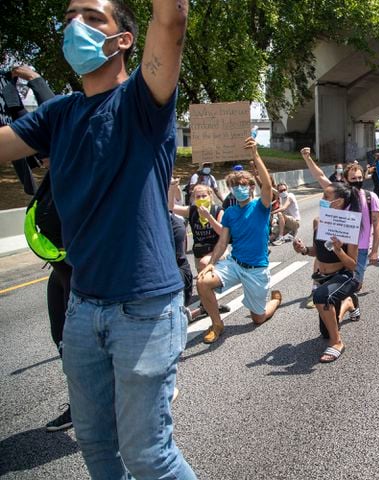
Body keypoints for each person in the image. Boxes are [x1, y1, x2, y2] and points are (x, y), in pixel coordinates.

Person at [0, 0, 197, 476]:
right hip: (82, 308)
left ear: (124, 39)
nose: (74, 27)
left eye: (91, 17)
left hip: (144, 310)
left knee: (148, 455)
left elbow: (171, 18)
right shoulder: (58, 115)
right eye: (69, 18)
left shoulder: (142, 101)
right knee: (94, 442)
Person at [1, 65, 74, 432]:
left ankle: (143, 394)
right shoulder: (45, 183)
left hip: (86, 273)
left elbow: (56, 115)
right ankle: (81, 401)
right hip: (58, 273)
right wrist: (11, 92)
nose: (40, 157)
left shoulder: (74, 166)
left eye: (45, 150)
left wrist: (34, 80)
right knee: (61, 335)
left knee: (93, 344)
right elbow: (20, 127)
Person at [196, 139, 282, 344]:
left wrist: (255, 154)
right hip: (235, 265)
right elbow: (222, 243)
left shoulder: (261, 206)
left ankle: (276, 301)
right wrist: (210, 265)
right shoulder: (230, 213)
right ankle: (217, 323)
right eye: (234, 186)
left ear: (251, 187)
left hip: (256, 269)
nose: (238, 188)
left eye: (242, 185)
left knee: (258, 318)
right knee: (202, 282)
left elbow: (268, 186)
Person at [292, 182, 360, 363]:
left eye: (325, 197)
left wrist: (339, 250)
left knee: (321, 298)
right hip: (322, 278)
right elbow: (317, 251)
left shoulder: (351, 225)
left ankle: (337, 342)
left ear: (338, 202)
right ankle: (348, 303)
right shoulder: (318, 221)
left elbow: (353, 265)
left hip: (342, 276)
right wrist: (303, 250)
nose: (321, 200)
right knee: (324, 330)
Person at [300, 147, 379, 289]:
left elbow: (377, 225)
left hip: (360, 248)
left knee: (356, 285)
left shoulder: (371, 197)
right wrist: (307, 158)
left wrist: (374, 250)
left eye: (359, 178)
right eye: (353, 178)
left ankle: (348, 302)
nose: (357, 181)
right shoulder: (340, 194)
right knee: (333, 281)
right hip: (337, 244)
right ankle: (316, 289)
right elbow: (320, 177)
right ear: (345, 179)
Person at [173, 184, 224, 271]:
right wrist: (172, 187)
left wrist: (208, 217)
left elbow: (222, 232)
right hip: (199, 252)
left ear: (210, 196)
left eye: (204, 196)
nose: (201, 199)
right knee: (202, 278)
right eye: (198, 197)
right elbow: (171, 207)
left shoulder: (218, 210)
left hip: (217, 250)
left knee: (205, 265)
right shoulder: (192, 210)